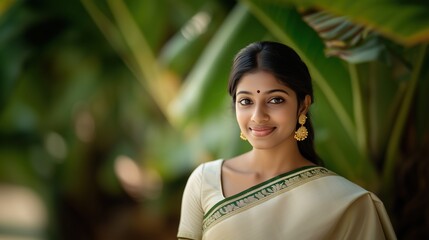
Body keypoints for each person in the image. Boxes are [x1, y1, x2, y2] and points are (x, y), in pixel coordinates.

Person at [177, 41, 396, 240]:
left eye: (275, 100)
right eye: (246, 101)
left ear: (303, 105)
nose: (257, 116)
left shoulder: (349, 203)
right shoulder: (205, 181)